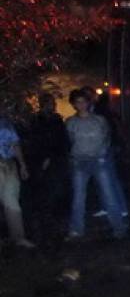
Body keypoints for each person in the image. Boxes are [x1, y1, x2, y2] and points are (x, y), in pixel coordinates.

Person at [65, 88, 127, 240]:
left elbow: (107, 137)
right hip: (79, 162)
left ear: (88, 103)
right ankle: (77, 229)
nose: (81, 105)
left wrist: (102, 153)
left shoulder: (99, 120)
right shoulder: (70, 122)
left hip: (99, 161)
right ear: (73, 104)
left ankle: (119, 228)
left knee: (109, 194)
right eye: (77, 102)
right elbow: (68, 141)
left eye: (83, 101)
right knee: (78, 197)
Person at [24, 93, 70, 242]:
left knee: (58, 190)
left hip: (56, 160)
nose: (52, 105)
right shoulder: (37, 120)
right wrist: (44, 157)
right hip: (42, 160)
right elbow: (36, 141)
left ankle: (55, 222)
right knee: (45, 191)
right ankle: (46, 223)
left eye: (52, 102)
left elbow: (62, 140)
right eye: (49, 103)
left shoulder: (56, 119)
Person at [83, 85, 128, 219]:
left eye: (88, 96)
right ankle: (106, 206)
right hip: (94, 149)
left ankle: (122, 208)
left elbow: (109, 130)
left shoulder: (101, 110)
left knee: (111, 178)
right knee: (100, 179)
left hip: (106, 148)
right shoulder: (92, 110)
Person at [0, 108, 35, 249]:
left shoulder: (5, 123)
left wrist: (22, 165)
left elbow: (15, 144)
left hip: (8, 164)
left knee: (11, 201)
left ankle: (18, 237)